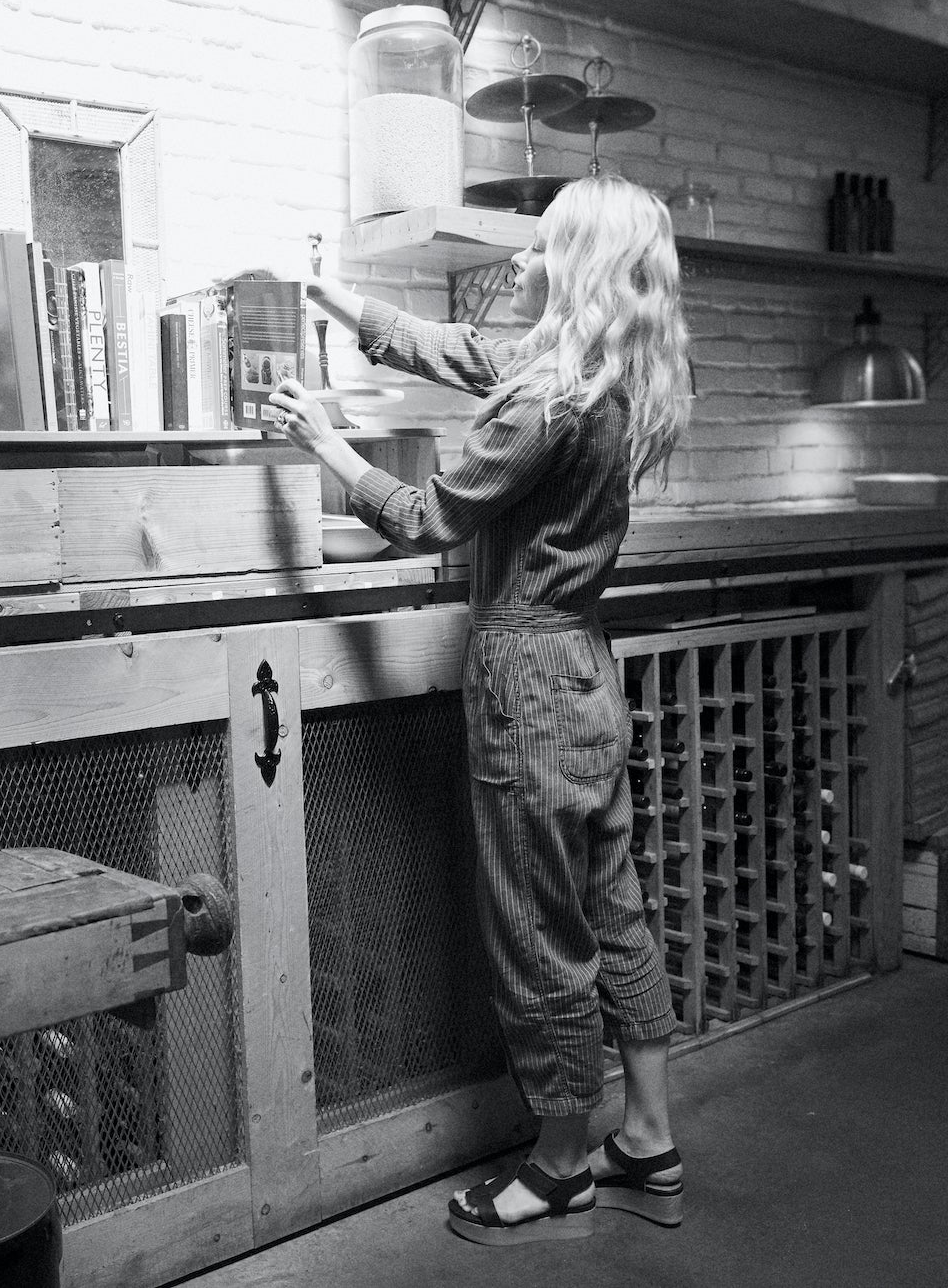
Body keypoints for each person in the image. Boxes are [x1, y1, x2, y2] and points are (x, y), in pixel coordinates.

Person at [265, 175, 695, 1246]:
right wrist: (329, 297)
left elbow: (424, 516)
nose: (530, 263)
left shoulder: (542, 401)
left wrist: (325, 443)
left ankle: (558, 1167)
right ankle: (644, 1135)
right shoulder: (606, 377)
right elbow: (458, 351)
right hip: (586, 675)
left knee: (536, 935)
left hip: (528, 690)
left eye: (546, 248)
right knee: (612, 911)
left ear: (581, 265)